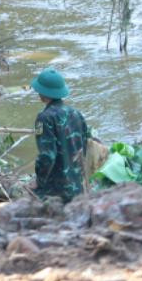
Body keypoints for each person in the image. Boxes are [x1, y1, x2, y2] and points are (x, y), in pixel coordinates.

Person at [30, 68, 89, 202]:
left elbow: (47, 156)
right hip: (77, 187)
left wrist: (38, 181)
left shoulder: (44, 118)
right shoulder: (76, 113)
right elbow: (84, 146)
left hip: (56, 191)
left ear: (42, 93)